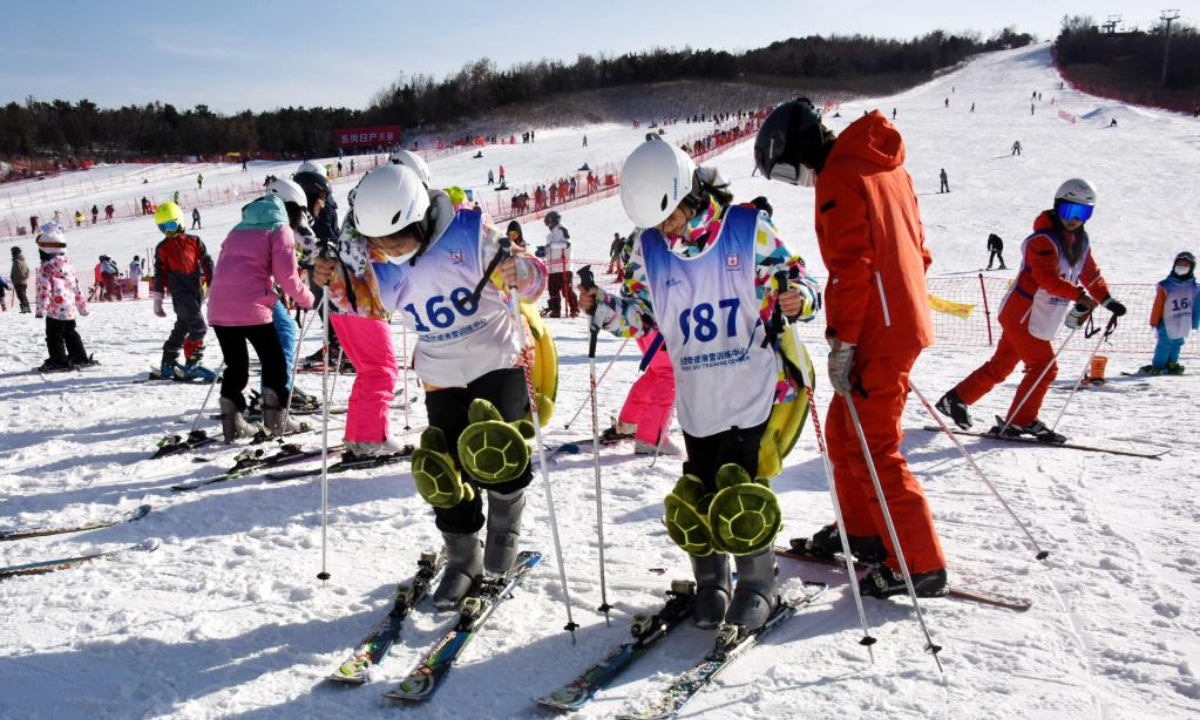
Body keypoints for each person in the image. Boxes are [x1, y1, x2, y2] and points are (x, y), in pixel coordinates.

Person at [580, 137, 820, 631]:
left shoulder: (745, 227)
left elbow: (798, 278)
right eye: (655, 224)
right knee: (700, 486)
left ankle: (757, 582)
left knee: (743, 486)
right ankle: (713, 581)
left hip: (750, 386)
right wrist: (599, 308)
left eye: (670, 218)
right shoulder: (649, 249)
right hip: (697, 395)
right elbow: (643, 316)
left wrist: (798, 297)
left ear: (689, 195)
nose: (665, 230)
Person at [312, 163, 548, 609]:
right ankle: (462, 556)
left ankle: (504, 525)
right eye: (379, 243)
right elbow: (363, 304)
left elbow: (531, 278)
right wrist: (327, 277)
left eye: (398, 239)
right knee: (441, 469)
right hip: (440, 375)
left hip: (496, 361)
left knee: (497, 451)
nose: (390, 250)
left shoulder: (468, 232)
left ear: (420, 217)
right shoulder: (379, 260)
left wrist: (522, 272)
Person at [756, 98, 948, 599]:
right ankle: (864, 534)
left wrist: (846, 339)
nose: (799, 182)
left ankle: (918, 563)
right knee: (845, 433)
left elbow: (851, 268)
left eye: (788, 171)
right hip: (896, 320)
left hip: (877, 331)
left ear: (797, 149)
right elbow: (918, 248)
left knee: (874, 446)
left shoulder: (841, 176)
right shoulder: (882, 166)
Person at [936, 179, 1126, 443]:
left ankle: (955, 399)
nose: (1074, 219)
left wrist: (1106, 299)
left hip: (1037, 314)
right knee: (1044, 367)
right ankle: (1021, 420)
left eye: (1083, 214)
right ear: (1057, 206)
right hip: (1023, 313)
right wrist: (1078, 296)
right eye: (1069, 211)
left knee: (1001, 366)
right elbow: (1045, 277)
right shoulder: (1042, 240)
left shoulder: (1080, 241)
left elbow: (1089, 273)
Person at [208, 194, 315, 442]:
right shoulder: (280, 229)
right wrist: (309, 300)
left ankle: (233, 424)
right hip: (252, 305)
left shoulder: (237, 230)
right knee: (274, 361)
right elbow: (287, 277)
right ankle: (277, 420)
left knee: (236, 366)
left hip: (219, 306)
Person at [152, 202, 216, 381]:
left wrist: (211, 284)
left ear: (180, 222)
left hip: (196, 291)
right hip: (180, 294)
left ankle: (168, 364)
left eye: (171, 226)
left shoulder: (194, 241)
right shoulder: (163, 248)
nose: (168, 232)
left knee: (183, 327)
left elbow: (207, 262)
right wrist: (158, 298)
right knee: (199, 328)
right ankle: (191, 365)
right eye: (163, 228)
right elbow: (160, 273)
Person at [33, 223, 95, 371]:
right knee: (71, 333)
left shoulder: (46, 267)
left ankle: (59, 361)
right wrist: (83, 307)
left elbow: (44, 290)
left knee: (54, 336)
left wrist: (41, 309)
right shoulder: (68, 265)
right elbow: (76, 287)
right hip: (70, 309)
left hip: (55, 310)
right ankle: (80, 357)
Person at [1141, 252, 1198, 375]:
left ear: (1191, 267)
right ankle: (1158, 366)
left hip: (1183, 321)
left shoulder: (1195, 287)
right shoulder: (1165, 285)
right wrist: (1154, 322)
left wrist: (1195, 322)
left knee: (1177, 343)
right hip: (1167, 321)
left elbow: (1197, 306)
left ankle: (1172, 363)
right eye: (1179, 264)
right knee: (1165, 344)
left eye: (1185, 264)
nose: (1182, 266)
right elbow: (1158, 305)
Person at [540, 211, 577, 318]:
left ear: (553, 221)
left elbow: (567, 244)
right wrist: (543, 251)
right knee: (553, 290)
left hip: (564, 267)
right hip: (552, 269)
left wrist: (551, 246)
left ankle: (574, 309)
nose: (548, 226)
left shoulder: (562, 230)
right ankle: (556, 311)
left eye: (549, 224)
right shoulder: (550, 236)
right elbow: (550, 250)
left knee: (567, 291)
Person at [10, 246, 31, 313]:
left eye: (12, 252)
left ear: (15, 252)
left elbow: (18, 271)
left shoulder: (16, 261)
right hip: (23, 282)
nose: (11, 253)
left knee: (21, 296)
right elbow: (28, 270)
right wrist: (25, 276)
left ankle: (26, 309)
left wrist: (14, 277)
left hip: (18, 281)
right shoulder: (22, 260)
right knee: (23, 295)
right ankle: (27, 308)